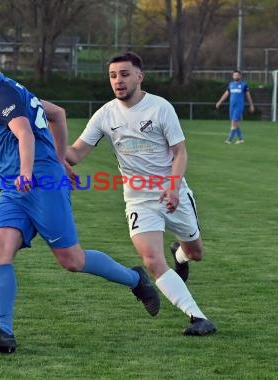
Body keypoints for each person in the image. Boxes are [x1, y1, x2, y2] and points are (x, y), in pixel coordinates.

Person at [0, 41, 160, 354]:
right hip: (16, 188)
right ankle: (4, 332)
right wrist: (61, 159)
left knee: (72, 260)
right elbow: (57, 114)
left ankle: (136, 280)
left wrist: (32, 170)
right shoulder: (12, 90)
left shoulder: (3, 94)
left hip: (38, 184)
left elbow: (24, 133)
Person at [66, 52, 216, 336]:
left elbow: (180, 152)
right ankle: (198, 318)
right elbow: (74, 154)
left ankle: (181, 255)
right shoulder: (105, 114)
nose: (118, 81)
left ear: (139, 76)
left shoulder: (160, 108)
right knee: (151, 260)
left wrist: (173, 186)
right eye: (112, 76)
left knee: (196, 253)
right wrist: (46, 142)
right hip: (138, 199)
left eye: (124, 74)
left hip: (173, 193)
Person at [215, 70, 254, 144]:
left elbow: (248, 96)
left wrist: (251, 105)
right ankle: (240, 139)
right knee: (235, 123)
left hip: (239, 106)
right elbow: (226, 94)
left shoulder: (244, 85)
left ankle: (229, 139)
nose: (236, 76)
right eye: (234, 75)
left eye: (237, 75)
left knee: (233, 122)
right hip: (232, 107)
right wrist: (219, 101)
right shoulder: (231, 84)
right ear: (233, 76)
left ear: (240, 76)